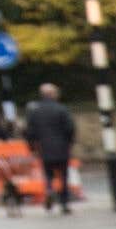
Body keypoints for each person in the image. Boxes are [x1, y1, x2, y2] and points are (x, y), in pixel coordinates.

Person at [23, 83, 78, 213]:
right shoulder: (61, 109)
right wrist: (69, 142)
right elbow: (70, 128)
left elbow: (29, 132)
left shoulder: (35, 111)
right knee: (63, 175)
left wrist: (32, 147)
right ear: (53, 94)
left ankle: (49, 189)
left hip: (44, 147)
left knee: (48, 173)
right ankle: (64, 203)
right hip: (62, 147)